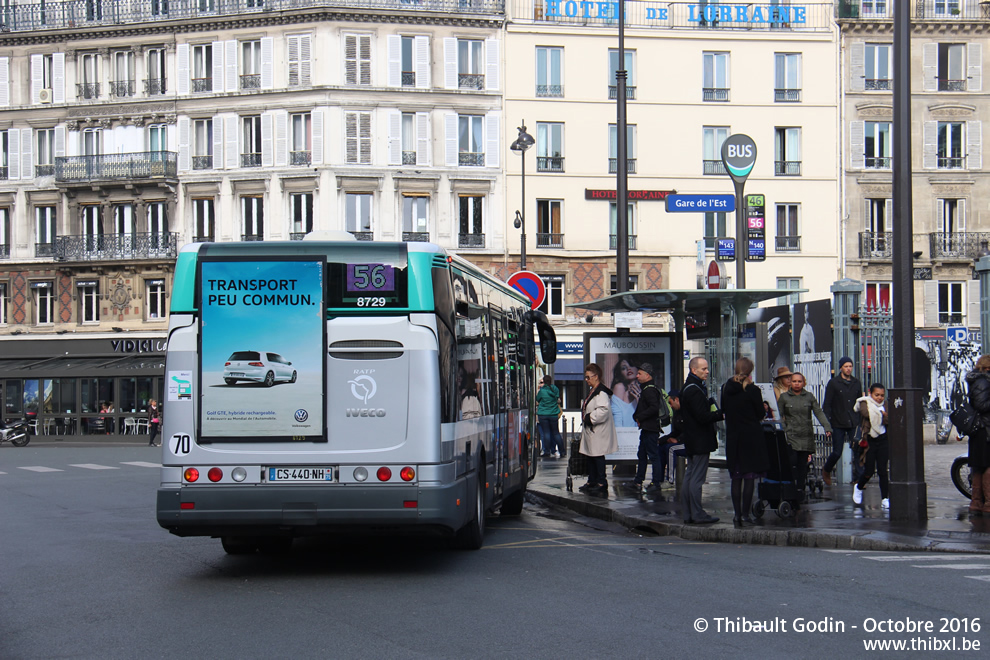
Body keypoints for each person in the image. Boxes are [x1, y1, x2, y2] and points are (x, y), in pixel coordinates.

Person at [721, 357, 770, 526]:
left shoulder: (726, 388)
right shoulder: (753, 390)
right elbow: (759, 414)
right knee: (750, 477)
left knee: (736, 477)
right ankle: (746, 514)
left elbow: (724, 410)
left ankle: (736, 515)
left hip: (734, 437)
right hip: (751, 438)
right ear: (750, 371)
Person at [678, 357, 724, 524]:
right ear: (693, 370)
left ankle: (688, 513)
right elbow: (702, 417)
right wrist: (720, 414)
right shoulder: (695, 390)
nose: (707, 371)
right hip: (699, 440)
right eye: (703, 369)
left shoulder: (689, 388)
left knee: (690, 476)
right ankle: (697, 513)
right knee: (696, 478)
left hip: (692, 439)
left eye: (707, 368)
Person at [777, 372, 832, 503]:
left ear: (803, 383)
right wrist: (783, 429)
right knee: (792, 462)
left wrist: (827, 427)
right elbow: (779, 414)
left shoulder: (809, 397)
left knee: (803, 464)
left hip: (805, 435)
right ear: (790, 383)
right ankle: (791, 488)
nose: (797, 384)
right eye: (794, 381)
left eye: (799, 381)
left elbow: (818, 411)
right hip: (791, 435)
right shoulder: (784, 397)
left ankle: (800, 490)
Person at [821, 356, 864, 486]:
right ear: (841, 368)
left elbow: (859, 402)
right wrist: (827, 423)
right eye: (846, 366)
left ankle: (859, 479)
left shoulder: (856, 383)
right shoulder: (834, 383)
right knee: (837, 451)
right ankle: (826, 469)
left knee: (857, 450)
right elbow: (827, 404)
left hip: (853, 421)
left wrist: (860, 420)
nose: (848, 369)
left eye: (850, 366)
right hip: (838, 421)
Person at [579, 363, 619, 497]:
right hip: (593, 430)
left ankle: (601, 482)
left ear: (596, 377)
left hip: (597, 430)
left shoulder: (601, 393)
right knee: (592, 456)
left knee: (597, 456)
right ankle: (593, 481)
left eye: (588, 377)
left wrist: (590, 418)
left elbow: (603, 410)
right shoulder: (595, 391)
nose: (586, 379)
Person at [852, 383, 889, 509]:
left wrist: (884, 416)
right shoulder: (864, 402)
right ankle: (858, 487)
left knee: (883, 471)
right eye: (876, 395)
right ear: (870, 393)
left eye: (882, 395)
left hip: (883, 439)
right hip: (870, 440)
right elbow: (865, 414)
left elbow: (890, 420)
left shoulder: (885, 405)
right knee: (869, 471)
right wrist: (881, 415)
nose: (879, 398)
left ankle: (885, 498)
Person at [631, 361, 664, 492]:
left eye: (640, 374)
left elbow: (653, 408)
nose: (637, 376)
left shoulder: (649, 390)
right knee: (642, 454)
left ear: (648, 375)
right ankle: (639, 480)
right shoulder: (648, 389)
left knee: (652, 455)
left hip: (650, 428)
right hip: (648, 428)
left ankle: (655, 482)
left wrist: (640, 417)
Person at [964, 356, 990, 515]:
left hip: (980, 430)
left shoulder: (979, 380)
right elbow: (981, 404)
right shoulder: (983, 382)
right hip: (985, 429)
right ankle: (987, 504)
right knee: (987, 465)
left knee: (979, 466)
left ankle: (976, 503)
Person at [661, 390, 688, 484]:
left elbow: (690, 430)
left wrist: (678, 439)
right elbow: (676, 432)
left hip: (690, 442)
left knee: (671, 449)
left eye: (671, 403)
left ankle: (670, 480)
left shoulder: (687, 412)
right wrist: (662, 440)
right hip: (683, 440)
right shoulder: (677, 413)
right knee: (662, 448)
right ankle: (659, 479)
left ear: (676, 399)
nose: (671, 406)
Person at [536, 375, 564, 458]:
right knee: (556, 433)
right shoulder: (555, 389)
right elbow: (557, 398)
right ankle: (562, 451)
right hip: (554, 413)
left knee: (546, 433)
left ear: (544, 381)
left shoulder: (542, 391)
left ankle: (547, 451)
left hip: (543, 414)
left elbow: (538, 399)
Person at [610, 358, 640, 427]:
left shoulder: (644, 389)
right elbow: (617, 419)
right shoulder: (620, 387)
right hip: (624, 434)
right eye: (624, 368)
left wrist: (639, 401)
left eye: (631, 365)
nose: (629, 369)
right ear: (620, 373)